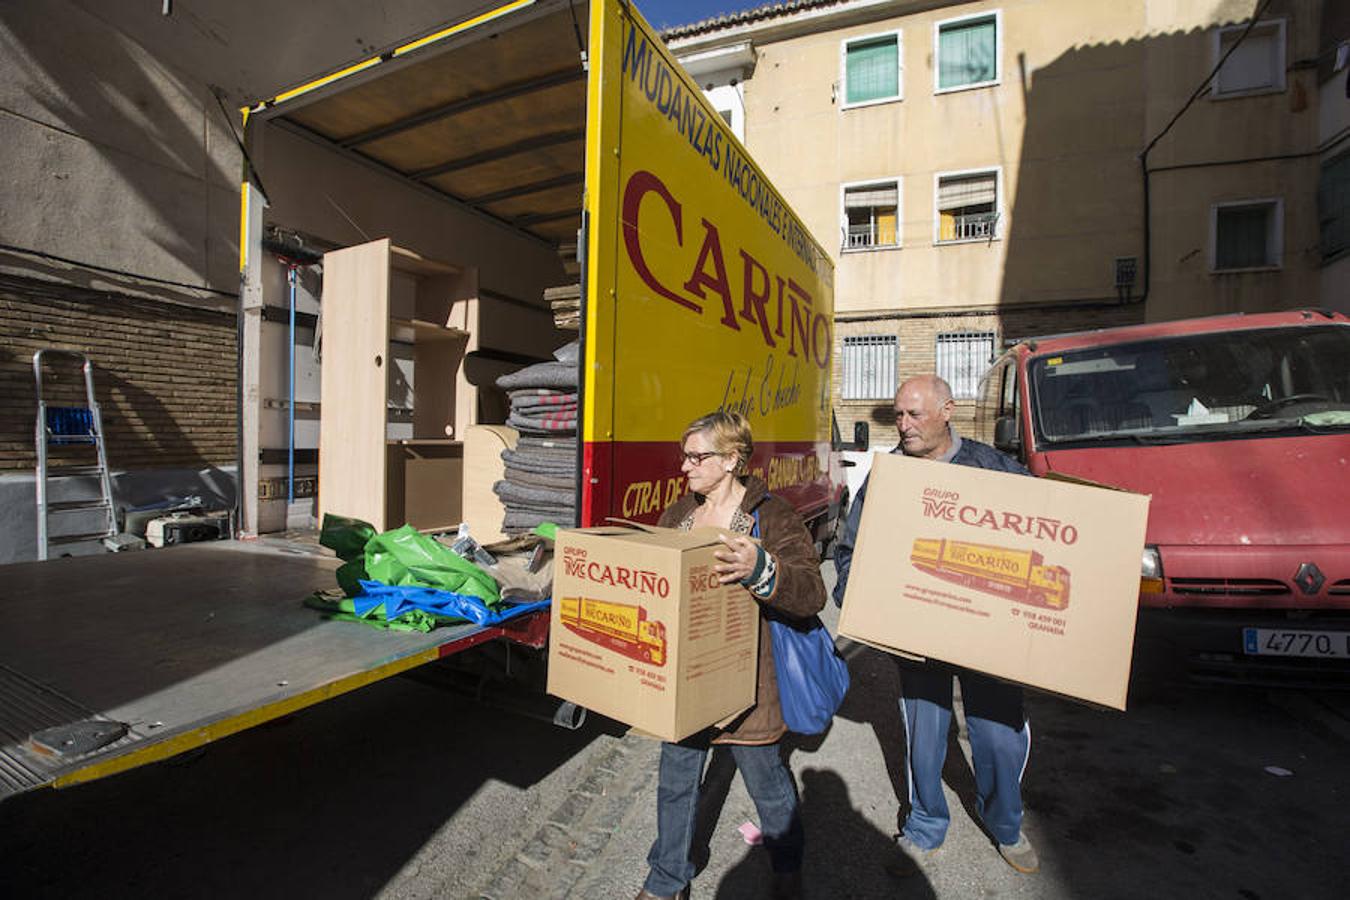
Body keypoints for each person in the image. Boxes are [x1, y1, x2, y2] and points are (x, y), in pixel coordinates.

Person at [832, 375, 1040, 876]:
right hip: (916, 634)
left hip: (985, 636)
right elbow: (850, 548)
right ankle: (926, 822)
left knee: (997, 734)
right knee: (924, 733)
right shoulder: (888, 475)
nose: (902, 426)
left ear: (948, 410)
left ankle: (1006, 825)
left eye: (914, 415)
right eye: (898, 415)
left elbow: (1043, 537)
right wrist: (858, 598)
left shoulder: (993, 468)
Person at [636, 410, 827, 900]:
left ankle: (788, 869)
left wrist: (762, 566)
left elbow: (811, 593)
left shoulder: (773, 515)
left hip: (751, 688)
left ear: (731, 460)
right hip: (686, 681)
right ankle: (668, 880)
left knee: (767, 785)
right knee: (675, 784)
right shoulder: (679, 515)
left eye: (697, 456)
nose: (685, 466)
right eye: (685, 455)